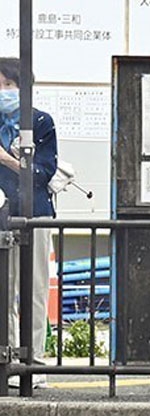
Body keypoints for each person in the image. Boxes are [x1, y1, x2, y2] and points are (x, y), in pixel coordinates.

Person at [0, 58, 56, 389]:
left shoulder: (40, 122)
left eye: (8, 85)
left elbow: (43, 173)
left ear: (24, 88)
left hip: (35, 213)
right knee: (3, 290)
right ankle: (6, 359)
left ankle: (34, 363)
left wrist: (6, 158)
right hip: (2, 214)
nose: (2, 91)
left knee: (33, 290)